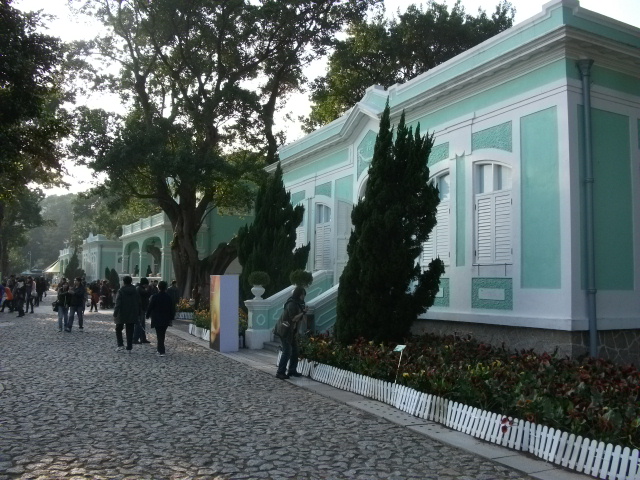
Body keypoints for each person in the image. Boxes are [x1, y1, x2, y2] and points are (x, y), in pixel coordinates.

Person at [275, 286, 307, 380]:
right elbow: (293, 318)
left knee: (295, 350)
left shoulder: (298, 304)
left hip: (291, 331)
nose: (303, 297)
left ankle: (292, 370)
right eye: (303, 295)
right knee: (287, 351)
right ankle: (280, 372)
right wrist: (303, 312)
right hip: (284, 330)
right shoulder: (292, 304)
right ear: (299, 295)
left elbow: (299, 319)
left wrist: (303, 312)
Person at [146, 281, 175, 357]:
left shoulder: (155, 296)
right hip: (165, 318)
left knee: (159, 334)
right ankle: (161, 349)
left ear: (158, 287)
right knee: (162, 334)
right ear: (166, 288)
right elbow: (172, 308)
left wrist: (147, 315)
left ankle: (161, 350)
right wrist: (171, 317)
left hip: (157, 317)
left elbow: (150, 306)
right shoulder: (168, 297)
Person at [113, 275, 141, 353]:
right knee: (130, 330)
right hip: (132, 312)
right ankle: (129, 347)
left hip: (122, 313)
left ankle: (120, 344)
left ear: (123, 282)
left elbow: (118, 303)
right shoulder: (135, 290)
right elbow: (139, 302)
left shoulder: (121, 291)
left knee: (118, 329)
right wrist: (138, 312)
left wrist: (115, 313)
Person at [133, 277, 151, 344]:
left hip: (141, 308)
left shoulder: (139, 288)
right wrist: (149, 288)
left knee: (142, 324)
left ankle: (143, 338)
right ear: (144, 284)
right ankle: (135, 339)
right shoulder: (139, 289)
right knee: (139, 324)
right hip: (140, 309)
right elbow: (147, 294)